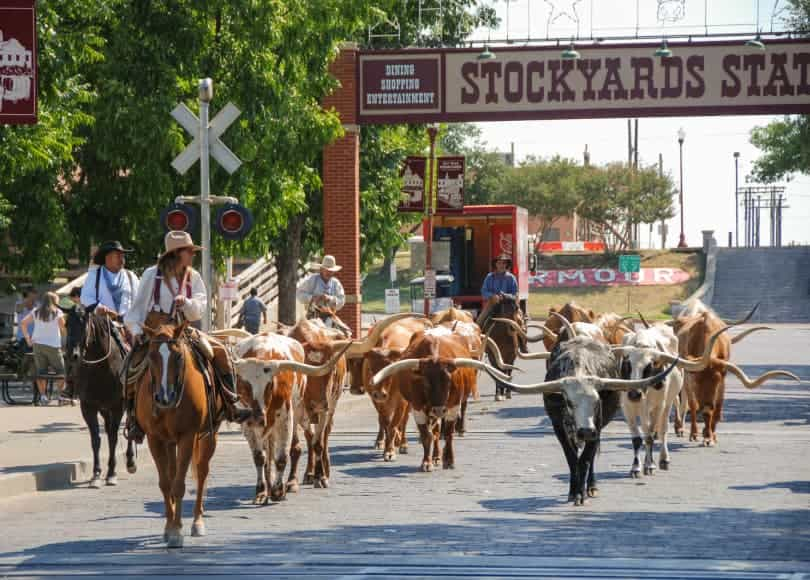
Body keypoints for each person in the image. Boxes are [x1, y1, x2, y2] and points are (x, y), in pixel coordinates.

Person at [124, 231, 251, 442]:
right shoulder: (151, 275)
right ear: (175, 253)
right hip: (155, 333)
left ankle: (231, 403)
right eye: (189, 251)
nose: (192, 255)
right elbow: (136, 310)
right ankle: (133, 418)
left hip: (183, 331)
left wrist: (187, 303)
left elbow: (198, 310)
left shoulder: (194, 276)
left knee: (219, 352)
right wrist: (137, 333)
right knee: (129, 367)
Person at [21, 292, 66, 405]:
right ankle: (61, 396)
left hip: (38, 345)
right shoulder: (57, 312)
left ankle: (43, 396)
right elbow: (64, 328)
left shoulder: (36, 311)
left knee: (41, 372)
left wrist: (28, 339)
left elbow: (23, 323)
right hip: (54, 346)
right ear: (53, 301)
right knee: (61, 372)